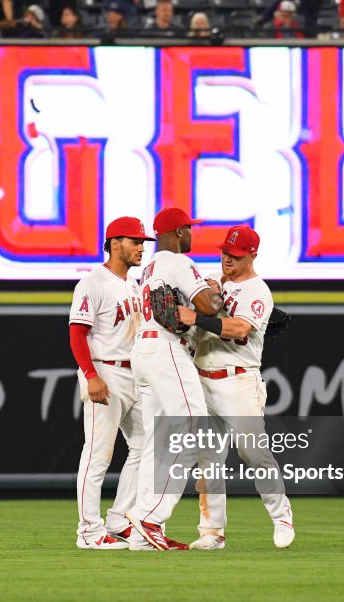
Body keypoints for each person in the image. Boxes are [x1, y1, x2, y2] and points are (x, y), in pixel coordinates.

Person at [178, 226, 295, 550]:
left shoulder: (258, 290)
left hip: (238, 379)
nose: (228, 258)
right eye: (225, 251)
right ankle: (212, 533)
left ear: (252, 255)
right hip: (202, 378)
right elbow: (198, 298)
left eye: (236, 254)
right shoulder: (215, 278)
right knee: (208, 457)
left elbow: (239, 327)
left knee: (253, 451)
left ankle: (281, 515)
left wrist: (196, 317)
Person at [124, 207, 224, 552]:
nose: (192, 234)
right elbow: (208, 307)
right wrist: (216, 290)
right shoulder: (179, 262)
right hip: (167, 350)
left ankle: (141, 533)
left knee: (158, 441)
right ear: (179, 232)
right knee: (195, 431)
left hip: (145, 352)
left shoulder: (149, 268)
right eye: (189, 229)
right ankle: (150, 516)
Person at [70, 217, 154, 550]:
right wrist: (91, 376)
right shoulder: (93, 282)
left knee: (148, 443)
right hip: (104, 371)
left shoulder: (133, 284)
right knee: (97, 455)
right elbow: (77, 333)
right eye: (135, 241)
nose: (141, 248)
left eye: (143, 242)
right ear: (115, 243)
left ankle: (120, 519)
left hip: (134, 373)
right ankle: (89, 531)